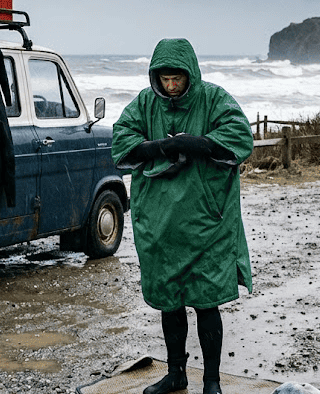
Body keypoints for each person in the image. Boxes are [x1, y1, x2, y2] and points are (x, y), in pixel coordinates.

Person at [112, 38, 254, 394]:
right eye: (164, 79)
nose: (171, 86)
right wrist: (161, 146)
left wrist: (199, 143)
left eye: (177, 78)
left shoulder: (213, 98)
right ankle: (176, 374)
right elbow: (121, 139)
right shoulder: (145, 104)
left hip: (207, 222)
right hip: (161, 225)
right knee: (169, 301)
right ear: (155, 78)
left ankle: (212, 381)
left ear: (190, 73)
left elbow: (240, 135)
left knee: (207, 302)